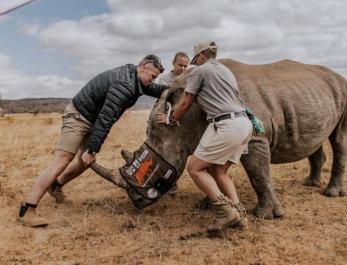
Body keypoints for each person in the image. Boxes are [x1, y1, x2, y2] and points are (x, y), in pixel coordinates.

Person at [18, 55, 168, 227]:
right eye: (152, 76)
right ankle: (27, 210)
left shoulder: (137, 79)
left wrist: (180, 89)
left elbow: (157, 89)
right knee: (63, 159)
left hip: (92, 120)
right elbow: (106, 117)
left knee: (82, 163)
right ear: (142, 67)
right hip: (79, 116)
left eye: (155, 77)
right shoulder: (124, 84)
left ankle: (56, 186)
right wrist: (91, 150)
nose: (153, 80)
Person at [156, 41, 253, 234]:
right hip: (244, 123)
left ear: (200, 56)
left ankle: (226, 212)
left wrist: (170, 119)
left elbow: (186, 102)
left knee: (195, 168)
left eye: (195, 60)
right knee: (219, 172)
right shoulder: (226, 71)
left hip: (226, 125)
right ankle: (240, 214)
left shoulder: (199, 71)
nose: (195, 63)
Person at [157, 52, 190, 195]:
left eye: (185, 66)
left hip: (183, 120)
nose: (182, 68)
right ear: (173, 63)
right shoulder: (165, 80)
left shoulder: (189, 78)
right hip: (167, 119)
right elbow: (163, 102)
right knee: (167, 153)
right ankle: (170, 184)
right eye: (179, 65)